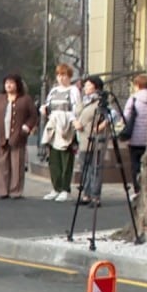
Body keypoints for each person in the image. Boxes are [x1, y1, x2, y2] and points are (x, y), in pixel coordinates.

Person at [0, 74, 39, 199]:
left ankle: (15, 190)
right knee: (1, 164)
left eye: (11, 83)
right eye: (6, 83)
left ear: (17, 84)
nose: (8, 85)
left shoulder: (25, 99)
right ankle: (1, 190)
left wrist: (26, 128)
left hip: (18, 137)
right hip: (1, 136)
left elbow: (33, 116)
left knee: (17, 164)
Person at [40, 63, 82, 201]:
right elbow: (48, 106)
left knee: (66, 159)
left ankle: (65, 188)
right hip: (54, 127)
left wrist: (72, 121)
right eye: (58, 75)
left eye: (63, 75)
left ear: (69, 76)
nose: (61, 78)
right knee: (54, 159)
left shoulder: (73, 91)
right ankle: (55, 187)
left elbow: (76, 109)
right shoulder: (53, 91)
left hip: (67, 128)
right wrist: (44, 110)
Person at [73, 75, 112, 207]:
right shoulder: (83, 101)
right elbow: (75, 114)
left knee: (95, 168)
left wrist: (99, 127)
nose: (85, 87)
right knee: (85, 168)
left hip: (96, 140)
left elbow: (110, 117)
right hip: (83, 139)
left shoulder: (100, 101)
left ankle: (96, 196)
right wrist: (75, 122)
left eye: (88, 85)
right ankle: (86, 194)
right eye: (85, 85)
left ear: (96, 86)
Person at [123, 74, 147, 195]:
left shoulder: (133, 99)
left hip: (135, 138)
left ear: (137, 85)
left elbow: (126, 116)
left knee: (135, 165)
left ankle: (137, 189)